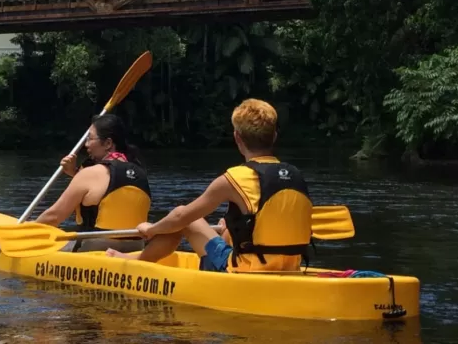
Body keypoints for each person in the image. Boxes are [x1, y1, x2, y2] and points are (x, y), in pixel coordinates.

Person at [106, 98, 313, 273]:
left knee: (183, 215)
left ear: (237, 137)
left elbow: (181, 218)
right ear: (274, 136)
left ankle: (139, 262)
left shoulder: (234, 177)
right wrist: (233, 228)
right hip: (290, 268)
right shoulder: (296, 175)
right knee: (226, 229)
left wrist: (151, 229)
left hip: (247, 270)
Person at [35, 113, 152, 253]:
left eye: (90, 138)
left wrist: (24, 231)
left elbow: (53, 217)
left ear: (108, 143)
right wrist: (75, 173)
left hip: (92, 251)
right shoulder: (140, 173)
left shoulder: (89, 173)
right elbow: (108, 190)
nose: (86, 144)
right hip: (134, 251)